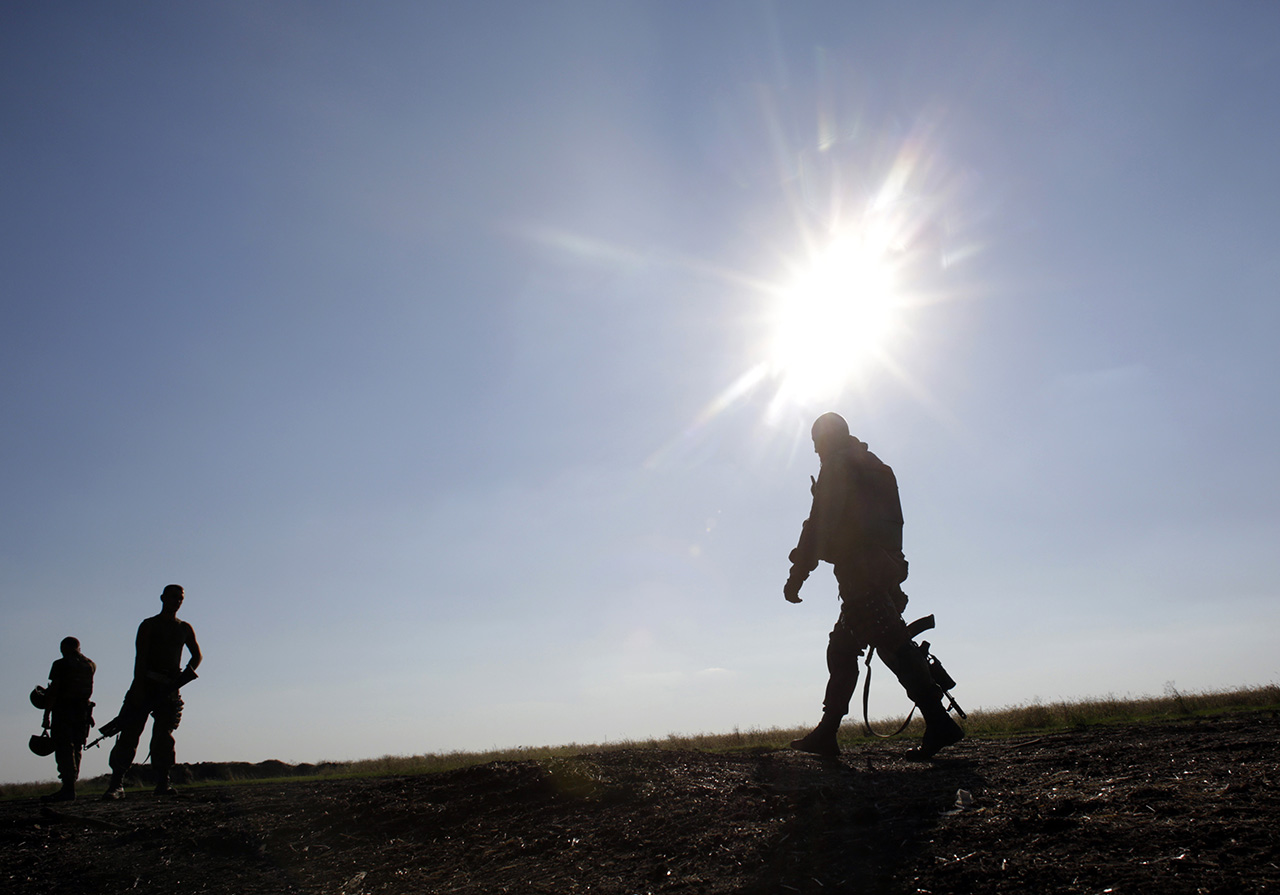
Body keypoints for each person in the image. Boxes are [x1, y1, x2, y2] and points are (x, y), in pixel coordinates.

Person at [783, 412, 963, 759]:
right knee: (843, 648)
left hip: (862, 575)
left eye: (817, 443)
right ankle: (827, 732)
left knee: (893, 646)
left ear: (829, 439)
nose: (816, 451)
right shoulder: (873, 465)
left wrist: (797, 575)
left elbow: (818, 524)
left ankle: (939, 722)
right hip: (884, 572)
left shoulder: (839, 465)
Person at [103, 584, 202, 799]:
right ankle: (117, 783)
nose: (177, 601)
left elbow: (197, 656)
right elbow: (140, 658)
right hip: (145, 685)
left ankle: (163, 782)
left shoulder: (184, 628)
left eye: (180, 598)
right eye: (173, 596)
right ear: (162, 598)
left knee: (163, 738)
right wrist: (138, 687)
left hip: (169, 690)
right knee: (129, 733)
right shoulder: (149, 625)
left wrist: (183, 676)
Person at [39, 637, 97, 802]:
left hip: (64, 711)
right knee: (77, 748)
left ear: (64, 648)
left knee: (64, 748)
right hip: (83, 712)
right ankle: (70, 785)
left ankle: (68, 788)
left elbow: (54, 691)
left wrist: (46, 716)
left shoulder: (60, 665)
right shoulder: (90, 665)